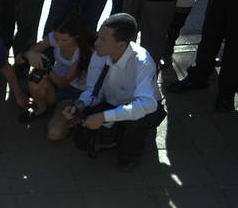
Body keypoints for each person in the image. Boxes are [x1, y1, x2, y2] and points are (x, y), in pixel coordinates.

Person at [65, 13, 164, 169]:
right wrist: (80, 104)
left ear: (121, 45)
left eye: (103, 39)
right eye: (98, 37)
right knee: (80, 140)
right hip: (113, 103)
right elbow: (94, 90)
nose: (96, 43)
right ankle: (115, 132)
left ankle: (129, 155)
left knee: (136, 124)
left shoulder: (142, 62)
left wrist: (104, 116)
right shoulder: (101, 54)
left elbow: (147, 105)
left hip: (143, 110)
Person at [10, 15, 94, 140]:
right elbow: (18, 60)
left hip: (72, 93)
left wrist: (47, 69)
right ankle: (42, 109)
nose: (58, 43)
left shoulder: (83, 53)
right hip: (55, 83)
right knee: (35, 80)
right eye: (56, 38)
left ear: (76, 38)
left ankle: (72, 121)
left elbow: (63, 84)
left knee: (54, 134)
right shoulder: (56, 37)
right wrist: (28, 54)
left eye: (64, 40)